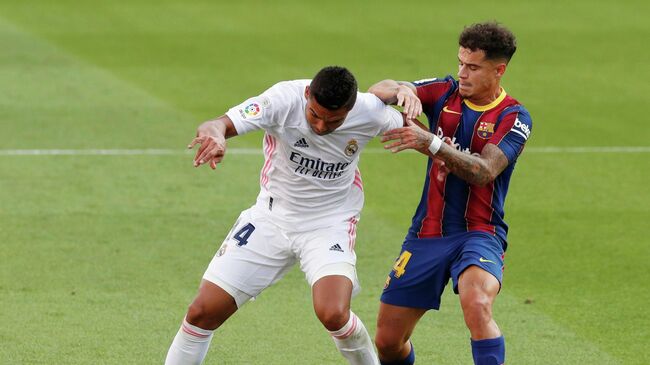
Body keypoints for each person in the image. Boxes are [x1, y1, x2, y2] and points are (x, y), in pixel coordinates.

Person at [165, 66, 405, 365]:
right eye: (315, 115)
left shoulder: (368, 111)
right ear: (307, 95)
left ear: (350, 108)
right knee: (202, 312)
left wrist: (438, 145)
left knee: (333, 313)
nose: (320, 126)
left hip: (329, 223)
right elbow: (218, 123)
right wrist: (216, 136)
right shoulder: (282, 99)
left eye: (334, 121)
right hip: (271, 217)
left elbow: (415, 127)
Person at [368, 22, 532, 365]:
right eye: (460, 62)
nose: (462, 73)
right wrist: (403, 90)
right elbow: (377, 90)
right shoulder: (445, 91)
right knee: (387, 342)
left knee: (477, 303)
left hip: (479, 232)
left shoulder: (514, 116)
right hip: (426, 232)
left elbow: (484, 171)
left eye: (473, 67)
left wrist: (432, 142)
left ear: (498, 70)